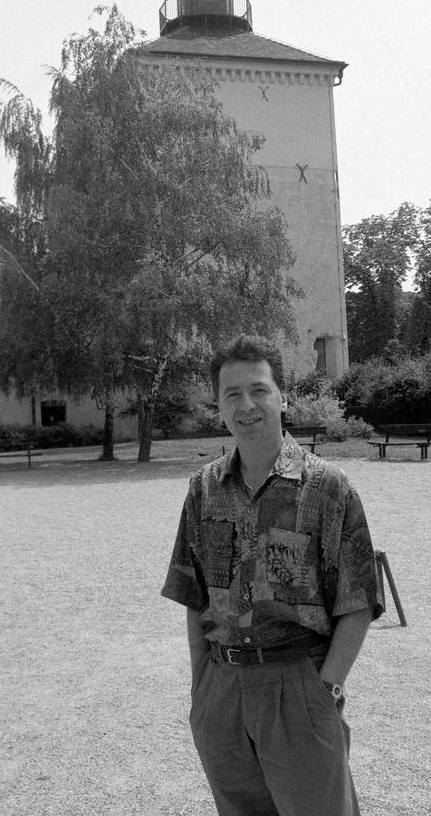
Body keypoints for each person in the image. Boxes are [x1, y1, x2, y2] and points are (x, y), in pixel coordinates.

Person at [161, 335, 383, 816]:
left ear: (283, 396)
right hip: (222, 692)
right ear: (218, 406)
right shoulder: (203, 489)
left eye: (259, 390)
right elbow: (193, 594)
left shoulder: (327, 488)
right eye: (232, 394)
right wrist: (202, 686)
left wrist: (327, 690)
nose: (247, 405)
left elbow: (359, 599)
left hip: (297, 688)